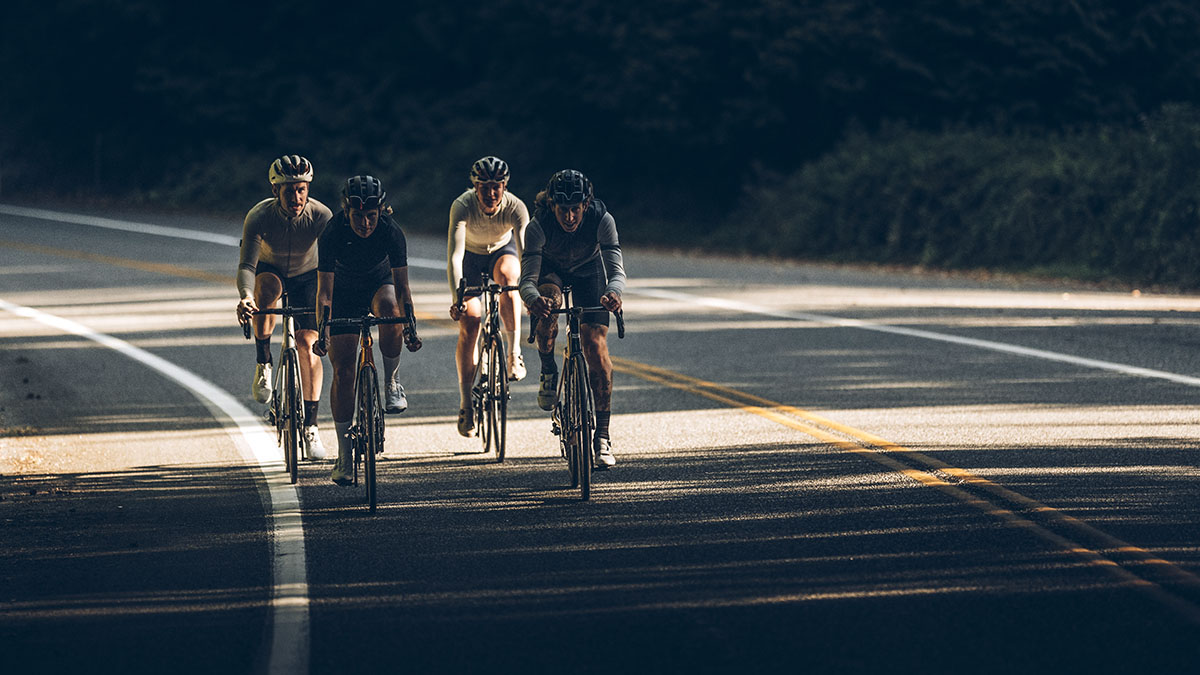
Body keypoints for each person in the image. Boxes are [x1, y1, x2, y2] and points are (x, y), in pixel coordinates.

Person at [313, 175, 421, 486]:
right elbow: (324, 293)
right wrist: (323, 330)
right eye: (358, 216)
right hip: (343, 293)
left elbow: (403, 289)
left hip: (378, 284)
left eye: (371, 216)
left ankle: (391, 381)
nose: (365, 223)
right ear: (346, 212)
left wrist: (410, 328)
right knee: (344, 371)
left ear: (381, 211)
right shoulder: (333, 231)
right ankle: (345, 455)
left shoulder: (390, 231)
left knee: (389, 308)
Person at [520, 169, 625, 469]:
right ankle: (548, 368)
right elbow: (527, 280)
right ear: (552, 205)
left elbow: (616, 271)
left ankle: (602, 437)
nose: (569, 217)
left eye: (575, 209)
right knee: (549, 303)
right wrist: (533, 299)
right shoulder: (538, 226)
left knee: (594, 344)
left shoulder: (601, 219)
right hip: (550, 271)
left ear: (586, 204)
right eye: (562, 209)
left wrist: (613, 293)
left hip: (588, 271)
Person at [235, 155, 332, 460]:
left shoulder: (321, 215)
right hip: (271, 269)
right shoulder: (259, 216)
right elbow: (247, 265)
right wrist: (245, 295)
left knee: (308, 343)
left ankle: (312, 426)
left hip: (307, 275)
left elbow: (333, 264)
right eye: (289, 190)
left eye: (301, 189)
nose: (296, 197)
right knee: (266, 291)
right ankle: (263, 361)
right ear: (275, 191)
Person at [447, 156, 530, 437]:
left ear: (505, 186)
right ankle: (466, 403)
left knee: (509, 278)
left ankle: (513, 353)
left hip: (501, 253)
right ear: (475, 187)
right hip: (470, 258)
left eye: (497, 186)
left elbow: (526, 254)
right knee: (471, 320)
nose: (491, 193)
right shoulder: (462, 205)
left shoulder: (516, 207)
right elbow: (455, 256)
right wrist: (457, 297)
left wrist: (530, 292)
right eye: (484, 187)